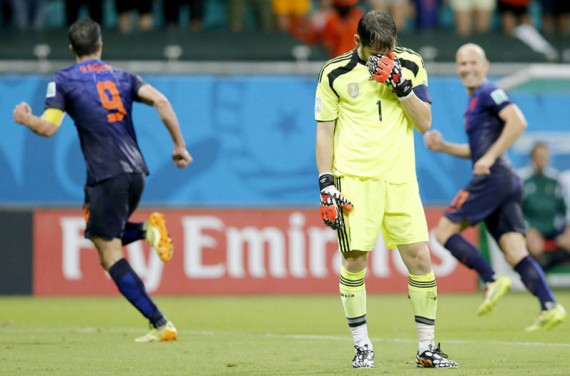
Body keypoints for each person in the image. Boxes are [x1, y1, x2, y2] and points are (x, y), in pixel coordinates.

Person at [12, 19, 193, 342]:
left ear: (71, 48)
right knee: (102, 234)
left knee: (108, 254)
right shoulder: (123, 77)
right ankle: (144, 231)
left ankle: (160, 323)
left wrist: (26, 119)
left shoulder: (63, 81)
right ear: (100, 46)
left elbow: (49, 127)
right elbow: (162, 102)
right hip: (137, 171)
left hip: (106, 174)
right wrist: (178, 146)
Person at [315, 9, 458, 369]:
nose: (384, 57)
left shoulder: (410, 64)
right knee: (354, 259)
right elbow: (324, 131)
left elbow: (424, 122)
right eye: (375, 50)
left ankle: (426, 348)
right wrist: (326, 183)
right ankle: (363, 346)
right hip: (354, 180)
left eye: (389, 48)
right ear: (356, 43)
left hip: (400, 179)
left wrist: (403, 87)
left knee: (421, 259)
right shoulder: (334, 72)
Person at [423, 43, 566, 331]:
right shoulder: (474, 103)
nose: (467, 68)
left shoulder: (490, 92)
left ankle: (490, 278)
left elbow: (518, 121)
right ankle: (550, 306)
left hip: (495, 178)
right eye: (462, 63)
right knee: (515, 251)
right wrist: (445, 147)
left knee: (443, 232)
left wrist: (489, 156)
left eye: (473, 62)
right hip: (506, 181)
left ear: (485, 66)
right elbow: (478, 150)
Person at [518, 142, 570, 270]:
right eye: (539, 157)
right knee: (534, 247)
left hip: (553, 230)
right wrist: (527, 230)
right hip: (531, 230)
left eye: (544, 157)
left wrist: (568, 231)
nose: (542, 160)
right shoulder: (522, 179)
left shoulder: (556, 180)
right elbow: (516, 210)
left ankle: (542, 270)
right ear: (532, 158)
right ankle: (533, 274)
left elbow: (565, 210)